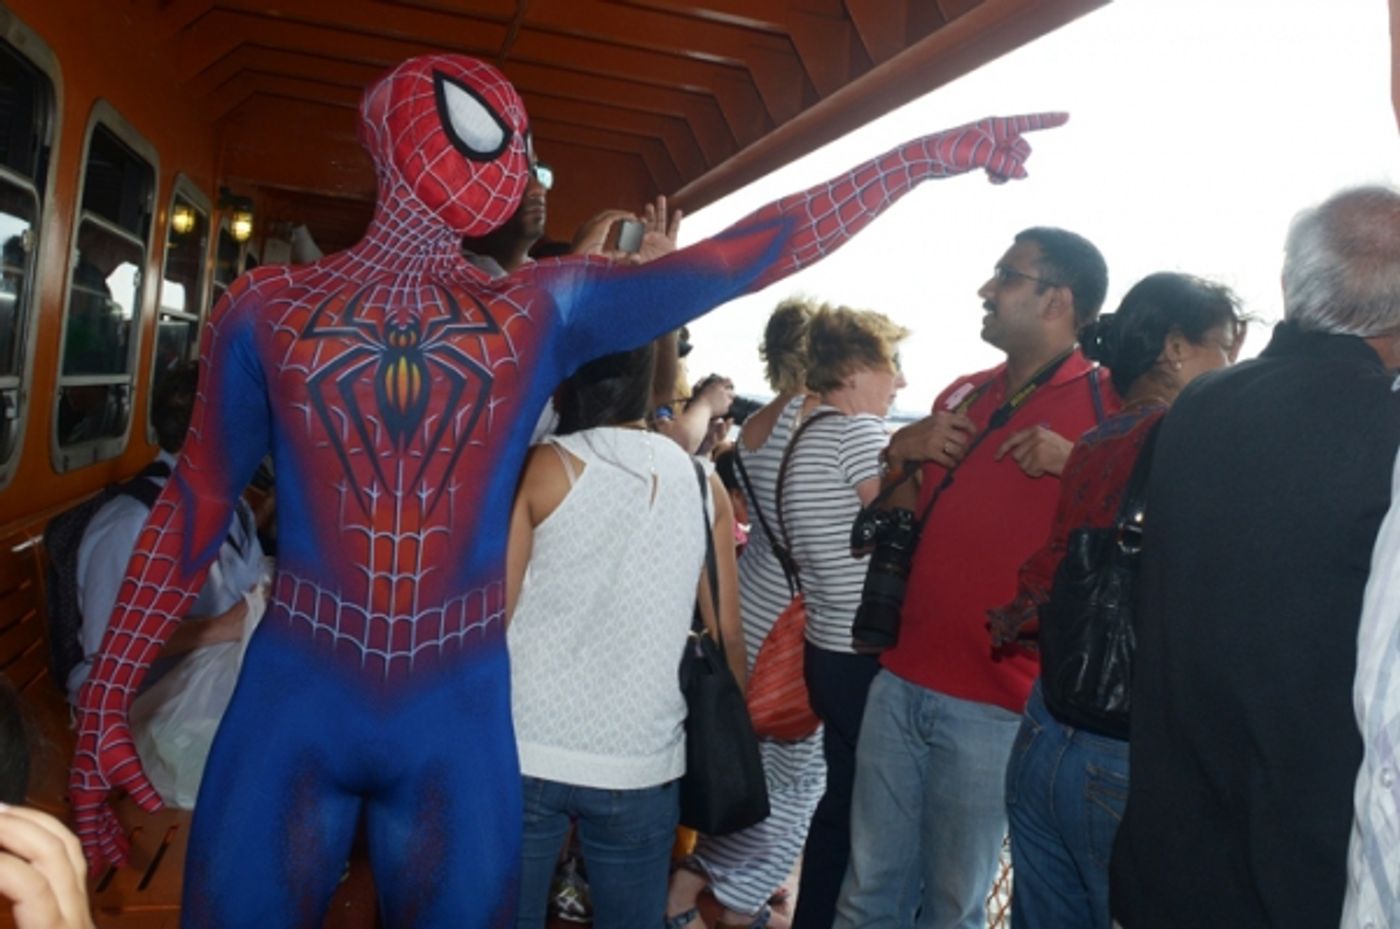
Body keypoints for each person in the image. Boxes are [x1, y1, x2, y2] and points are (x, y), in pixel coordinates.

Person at [67, 49, 1065, 924]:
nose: (510, 155)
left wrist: (926, 156)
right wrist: (103, 703)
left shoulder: (332, 306)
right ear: (401, 139)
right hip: (415, 706)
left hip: (345, 696)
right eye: (487, 131)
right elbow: (193, 505)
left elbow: (758, 247)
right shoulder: (480, 308)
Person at [1109, 187, 1400, 928]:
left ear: (1289, 286)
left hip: (1170, 844)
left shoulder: (1204, 401)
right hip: (1299, 864)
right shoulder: (1384, 430)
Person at [834, 227, 1115, 929]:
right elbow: (901, 516)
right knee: (866, 894)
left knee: (952, 909)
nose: (987, 289)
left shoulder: (1110, 407)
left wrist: (1079, 462)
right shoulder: (962, 391)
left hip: (999, 701)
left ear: (1059, 299)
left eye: (1006, 275)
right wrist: (903, 450)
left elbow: (1146, 535)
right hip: (899, 678)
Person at [986, 273, 1245, 929]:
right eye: (1225, 347)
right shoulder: (1195, 442)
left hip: (1048, 725)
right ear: (1178, 347)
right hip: (1125, 751)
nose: (1233, 368)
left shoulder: (1098, 441)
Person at [506, 340, 741, 927]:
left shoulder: (545, 465)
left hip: (524, 743)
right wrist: (741, 724)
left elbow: (496, 616)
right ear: (658, 388)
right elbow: (727, 633)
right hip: (642, 756)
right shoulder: (700, 482)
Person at [668, 298, 820, 929]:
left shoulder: (761, 423)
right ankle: (731, 906)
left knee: (746, 765)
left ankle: (682, 893)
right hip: (792, 621)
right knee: (799, 778)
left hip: (751, 600)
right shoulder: (819, 422)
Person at [69, 363, 266, 808]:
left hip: (206, 688)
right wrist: (224, 627)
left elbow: (252, 589)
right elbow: (109, 652)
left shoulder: (231, 507)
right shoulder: (133, 525)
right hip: (145, 712)